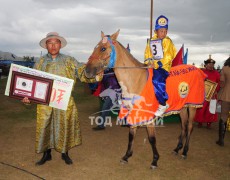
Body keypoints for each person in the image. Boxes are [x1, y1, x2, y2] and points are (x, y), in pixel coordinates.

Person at [22, 32, 101, 165]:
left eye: (56, 42)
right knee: (45, 127)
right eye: (50, 43)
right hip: (44, 102)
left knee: (64, 126)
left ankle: (65, 153)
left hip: (63, 101)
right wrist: (27, 97)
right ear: (46, 45)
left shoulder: (69, 60)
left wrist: (96, 73)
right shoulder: (40, 62)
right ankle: (46, 154)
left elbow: (83, 73)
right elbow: (32, 82)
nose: (53, 46)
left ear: (60, 45)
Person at [144, 15, 177, 117]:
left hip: (163, 67)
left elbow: (169, 55)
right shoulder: (150, 41)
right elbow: (147, 53)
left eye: (165, 31)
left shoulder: (168, 41)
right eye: (161, 31)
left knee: (157, 80)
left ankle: (163, 103)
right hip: (152, 66)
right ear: (156, 31)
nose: (164, 33)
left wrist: (159, 63)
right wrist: (148, 61)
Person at [194, 55, 220, 129]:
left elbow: (219, 83)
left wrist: (215, 91)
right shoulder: (202, 72)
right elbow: (198, 81)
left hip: (213, 94)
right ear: (206, 65)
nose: (211, 66)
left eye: (212, 64)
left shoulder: (216, 73)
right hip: (203, 93)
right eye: (209, 64)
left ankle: (209, 123)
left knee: (211, 109)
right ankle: (200, 122)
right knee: (201, 109)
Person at [216, 57, 230, 146]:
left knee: (223, 116)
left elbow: (222, 82)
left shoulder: (225, 68)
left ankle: (221, 140)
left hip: (227, 94)